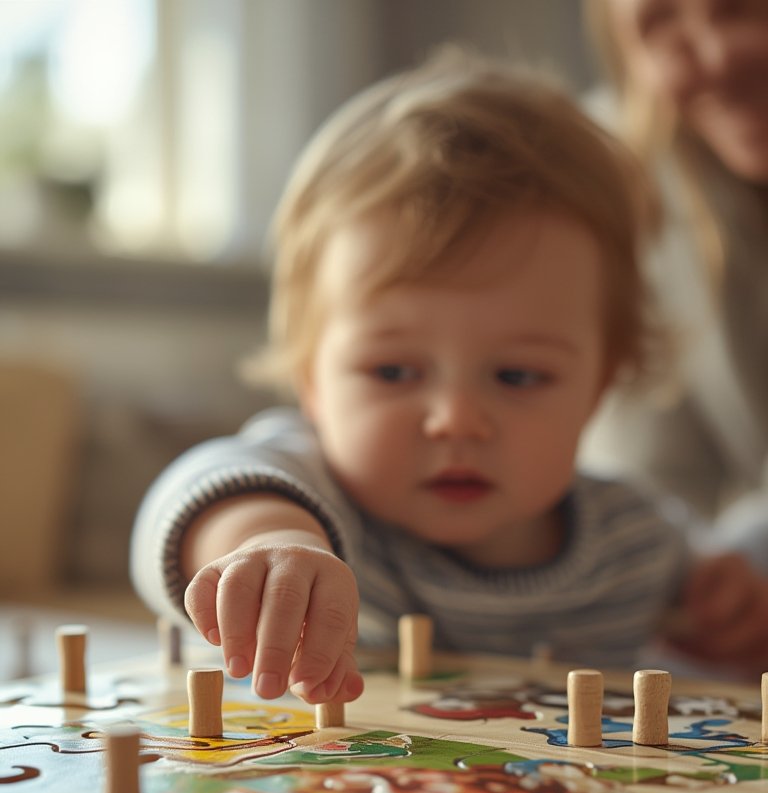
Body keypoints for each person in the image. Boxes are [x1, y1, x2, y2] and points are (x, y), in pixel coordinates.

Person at [130, 48, 768, 705]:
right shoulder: (311, 497)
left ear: (599, 387)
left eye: (518, 376)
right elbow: (191, 495)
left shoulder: (633, 542)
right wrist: (269, 542)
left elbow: (713, 588)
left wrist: (729, 602)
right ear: (310, 377)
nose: (457, 418)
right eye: (395, 370)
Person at [580, 0, 768, 579]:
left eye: (738, 8)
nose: (713, 59)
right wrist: (711, 585)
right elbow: (651, 478)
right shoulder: (616, 176)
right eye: (658, 22)